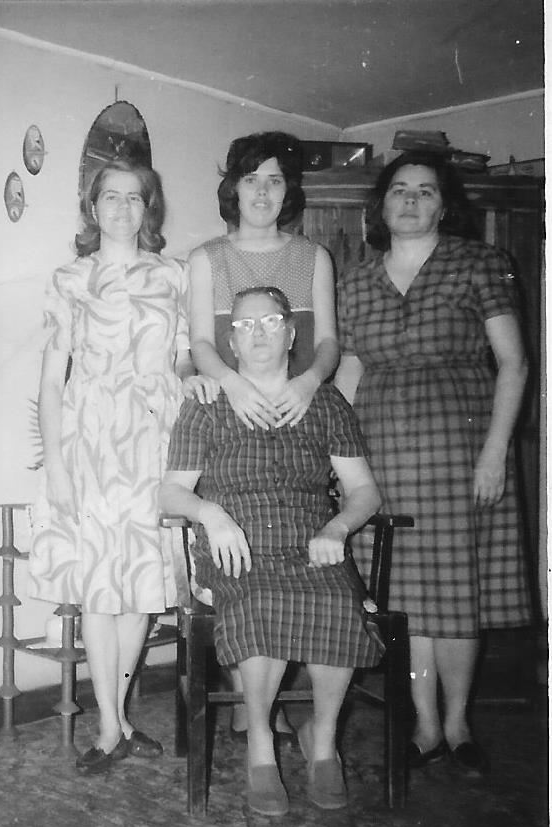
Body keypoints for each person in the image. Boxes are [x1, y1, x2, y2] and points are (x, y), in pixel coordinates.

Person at [334, 151, 532, 777]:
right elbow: (350, 371)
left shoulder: (482, 264)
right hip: (382, 455)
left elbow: (514, 363)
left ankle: (458, 722)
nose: (411, 201)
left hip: (461, 451)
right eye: (399, 190)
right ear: (382, 204)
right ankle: (423, 724)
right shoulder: (356, 281)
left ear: (445, 204)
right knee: (408, 595)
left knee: (457, 592)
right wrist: (334, 460)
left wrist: (495, 451)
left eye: (425, 191)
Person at [160, 286, 382, 815]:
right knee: (259, 606)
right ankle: (261, 745)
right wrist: (211, 515)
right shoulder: (207, 403)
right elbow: (170, 492)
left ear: (291, 333)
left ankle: (322, 743)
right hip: (236, 547)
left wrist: (338, 529)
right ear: (230, 344)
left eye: (270, 321)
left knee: (339, 604)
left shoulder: (325, 402)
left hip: (311, 544)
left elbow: (364, 491)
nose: (258, 333)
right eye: (244, 326)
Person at [30, 159, 212, 775]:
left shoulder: (175, 275)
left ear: (149, 208)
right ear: (92, 205)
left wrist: (187, 385)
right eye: (111, 197)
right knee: (97, 592)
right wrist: (56, 463)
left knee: (140, 586)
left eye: (136, 199)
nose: (123, 208)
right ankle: (110, 724)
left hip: (154, 441)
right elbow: (53, 381)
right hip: (89, 443)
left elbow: (186, 359)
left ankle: (120, 719)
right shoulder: (70, 278)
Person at [188, 130, 340, 742]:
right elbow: (201, 342)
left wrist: (309, 386)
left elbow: (326, 343)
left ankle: (292, 716)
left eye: (275, 180)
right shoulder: (208, 258)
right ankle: (258, 709)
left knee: (303, 552)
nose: (263, 191)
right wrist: (230, 383)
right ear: (233, 187)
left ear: (289, 191)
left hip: (298, 415)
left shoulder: (313, 258)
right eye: (252, 178)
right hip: (237, 406)